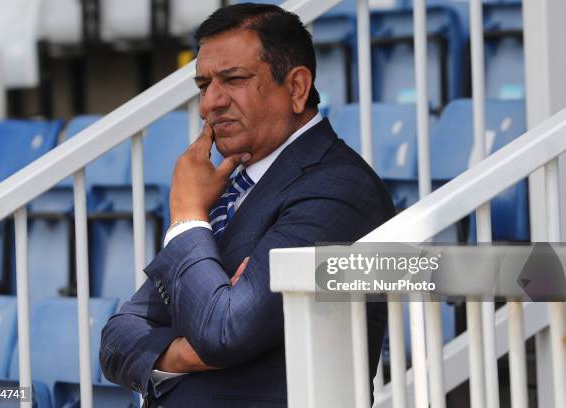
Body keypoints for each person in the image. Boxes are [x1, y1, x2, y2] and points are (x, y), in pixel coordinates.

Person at [100, 3, 394, 407]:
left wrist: (187, 218)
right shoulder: (228, 188)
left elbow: (224, 330)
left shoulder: (338, 187)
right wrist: (188, 353)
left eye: (233, 80)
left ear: (295, 88)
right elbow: (119, 336)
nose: (210, 104)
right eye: (204, 86)